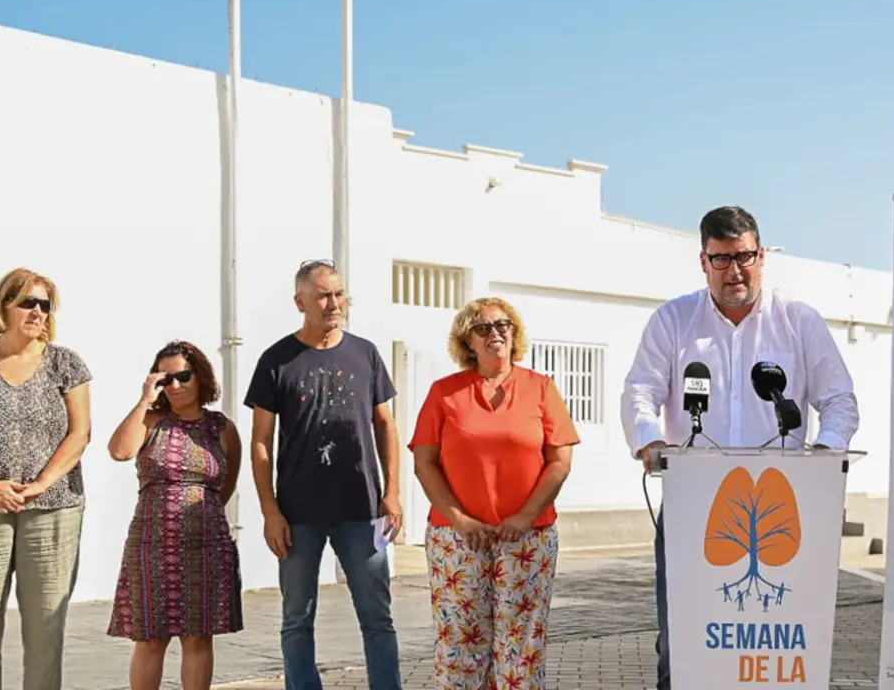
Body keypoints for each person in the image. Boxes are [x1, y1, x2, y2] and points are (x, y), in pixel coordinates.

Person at [619, 206, 860, 689]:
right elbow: (639, 392)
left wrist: (824, 451)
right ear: (703, 261)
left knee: (777, 641)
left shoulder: (798, 321)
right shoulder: (674, 320)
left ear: (762, 254)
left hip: (784, 504)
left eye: (744, 257)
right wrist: (650, 441)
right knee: (682, 643)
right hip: (694, 506)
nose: (735, 271)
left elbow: (840, 402)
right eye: (722, 259)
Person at [244, 259, 404, 690]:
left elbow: (386, 425)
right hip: (297, 515)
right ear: (301, 302)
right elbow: (260, 441)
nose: (334, 303)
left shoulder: (366, 353)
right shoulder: (276, 360)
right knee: (297, 618)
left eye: (338, 294)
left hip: (363, 509)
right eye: (323, 296)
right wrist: (270, 511)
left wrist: (393, 493)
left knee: (378, 617)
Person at [409, 297, 579, 688]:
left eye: (503, 325)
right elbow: (425, 463)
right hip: (457, 539)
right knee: (460, 643)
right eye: (483, 328)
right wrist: (460, 519)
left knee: (521, 644)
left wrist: (524, 516)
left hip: (528, 538)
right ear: (467, 341)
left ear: (514, 334)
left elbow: (559, 462)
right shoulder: (444, 393)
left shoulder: (541, 388)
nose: (495, 334)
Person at [0, 267, 92, 690]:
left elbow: (80, 432)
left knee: (45, 629)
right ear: (3, 306)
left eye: (44, 305)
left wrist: (42, 483)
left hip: (52, 510)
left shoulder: (66, 363)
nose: (37, 312)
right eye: (27, 302)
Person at [107, 340, 244, 690]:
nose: (176, 385)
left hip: (207, 546)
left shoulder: (222, 428)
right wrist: (144, 401)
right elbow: (120, 451)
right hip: (152, 545)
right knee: (151, 638)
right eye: (165, 379)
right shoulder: (151, 421)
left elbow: (225, 487)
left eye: (183, 375)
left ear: (200, 376)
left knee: (198, 638)